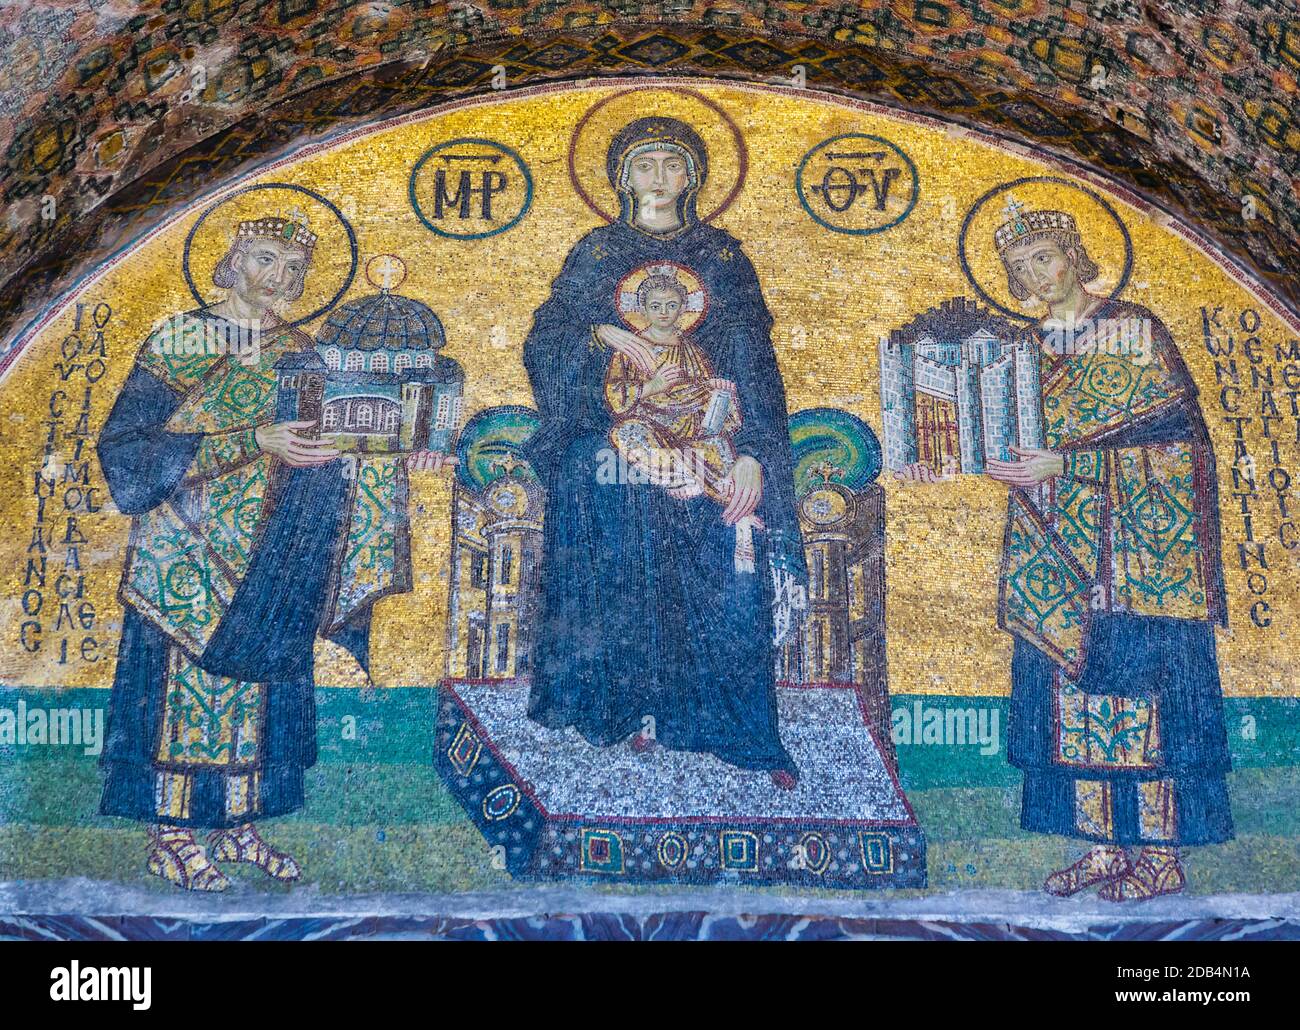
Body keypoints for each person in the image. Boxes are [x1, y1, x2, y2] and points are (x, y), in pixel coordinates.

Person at [97, 212, 447, 891]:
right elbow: (128, 453)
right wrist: (251, 441)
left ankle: (237, 826)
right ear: (230, 260)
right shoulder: (181, 340)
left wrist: (404, 453)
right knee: (185, 697)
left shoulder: (304, 352)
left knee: (258, 696)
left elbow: (342, 439)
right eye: (264, 258)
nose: (278, 278)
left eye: (293, 270)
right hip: (186, 555)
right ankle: (171, 834)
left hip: (275, 552)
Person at [897, 201, 1230, 900]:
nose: (1036, 276)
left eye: (1044, 258)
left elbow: (1184, 453)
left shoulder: (1134, 333)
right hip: (1055, 552)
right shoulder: (1021, 349)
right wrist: (948, 454)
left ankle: (1161, 855)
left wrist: (1069, 468)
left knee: (1146, 701)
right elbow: (1006, 435)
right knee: (1073, 702)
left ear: (1074, 255)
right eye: (1019, 268)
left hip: (1139, 559)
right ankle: (1106, 851)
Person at [522, 117, 804, 787]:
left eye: (670, 164)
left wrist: (754, 455)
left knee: (728, 530)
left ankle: (722, 724)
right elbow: (545, 344)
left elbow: (755, 369)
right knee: (604, 487)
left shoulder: (723, 257)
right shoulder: (596, 252)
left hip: (712, 444)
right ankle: (609, 709)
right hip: (609, 443)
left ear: (693, 177)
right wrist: (601, 337)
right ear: (622, 177)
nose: (657, 177)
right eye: (642, 164)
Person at [602, 270, 761, 572]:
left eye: (671, 305)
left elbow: (701, 388)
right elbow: (617, 395)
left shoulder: (692, 349)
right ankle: (683, 478)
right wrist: (653, 386)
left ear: (683, 308)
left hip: (692, 424)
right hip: (650, 422)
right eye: (655, 306)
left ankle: (737, 513)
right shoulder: (631, 348)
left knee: (717, 447)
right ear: (643, 308)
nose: (664, 313)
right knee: (628, 433)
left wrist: (717, 393)